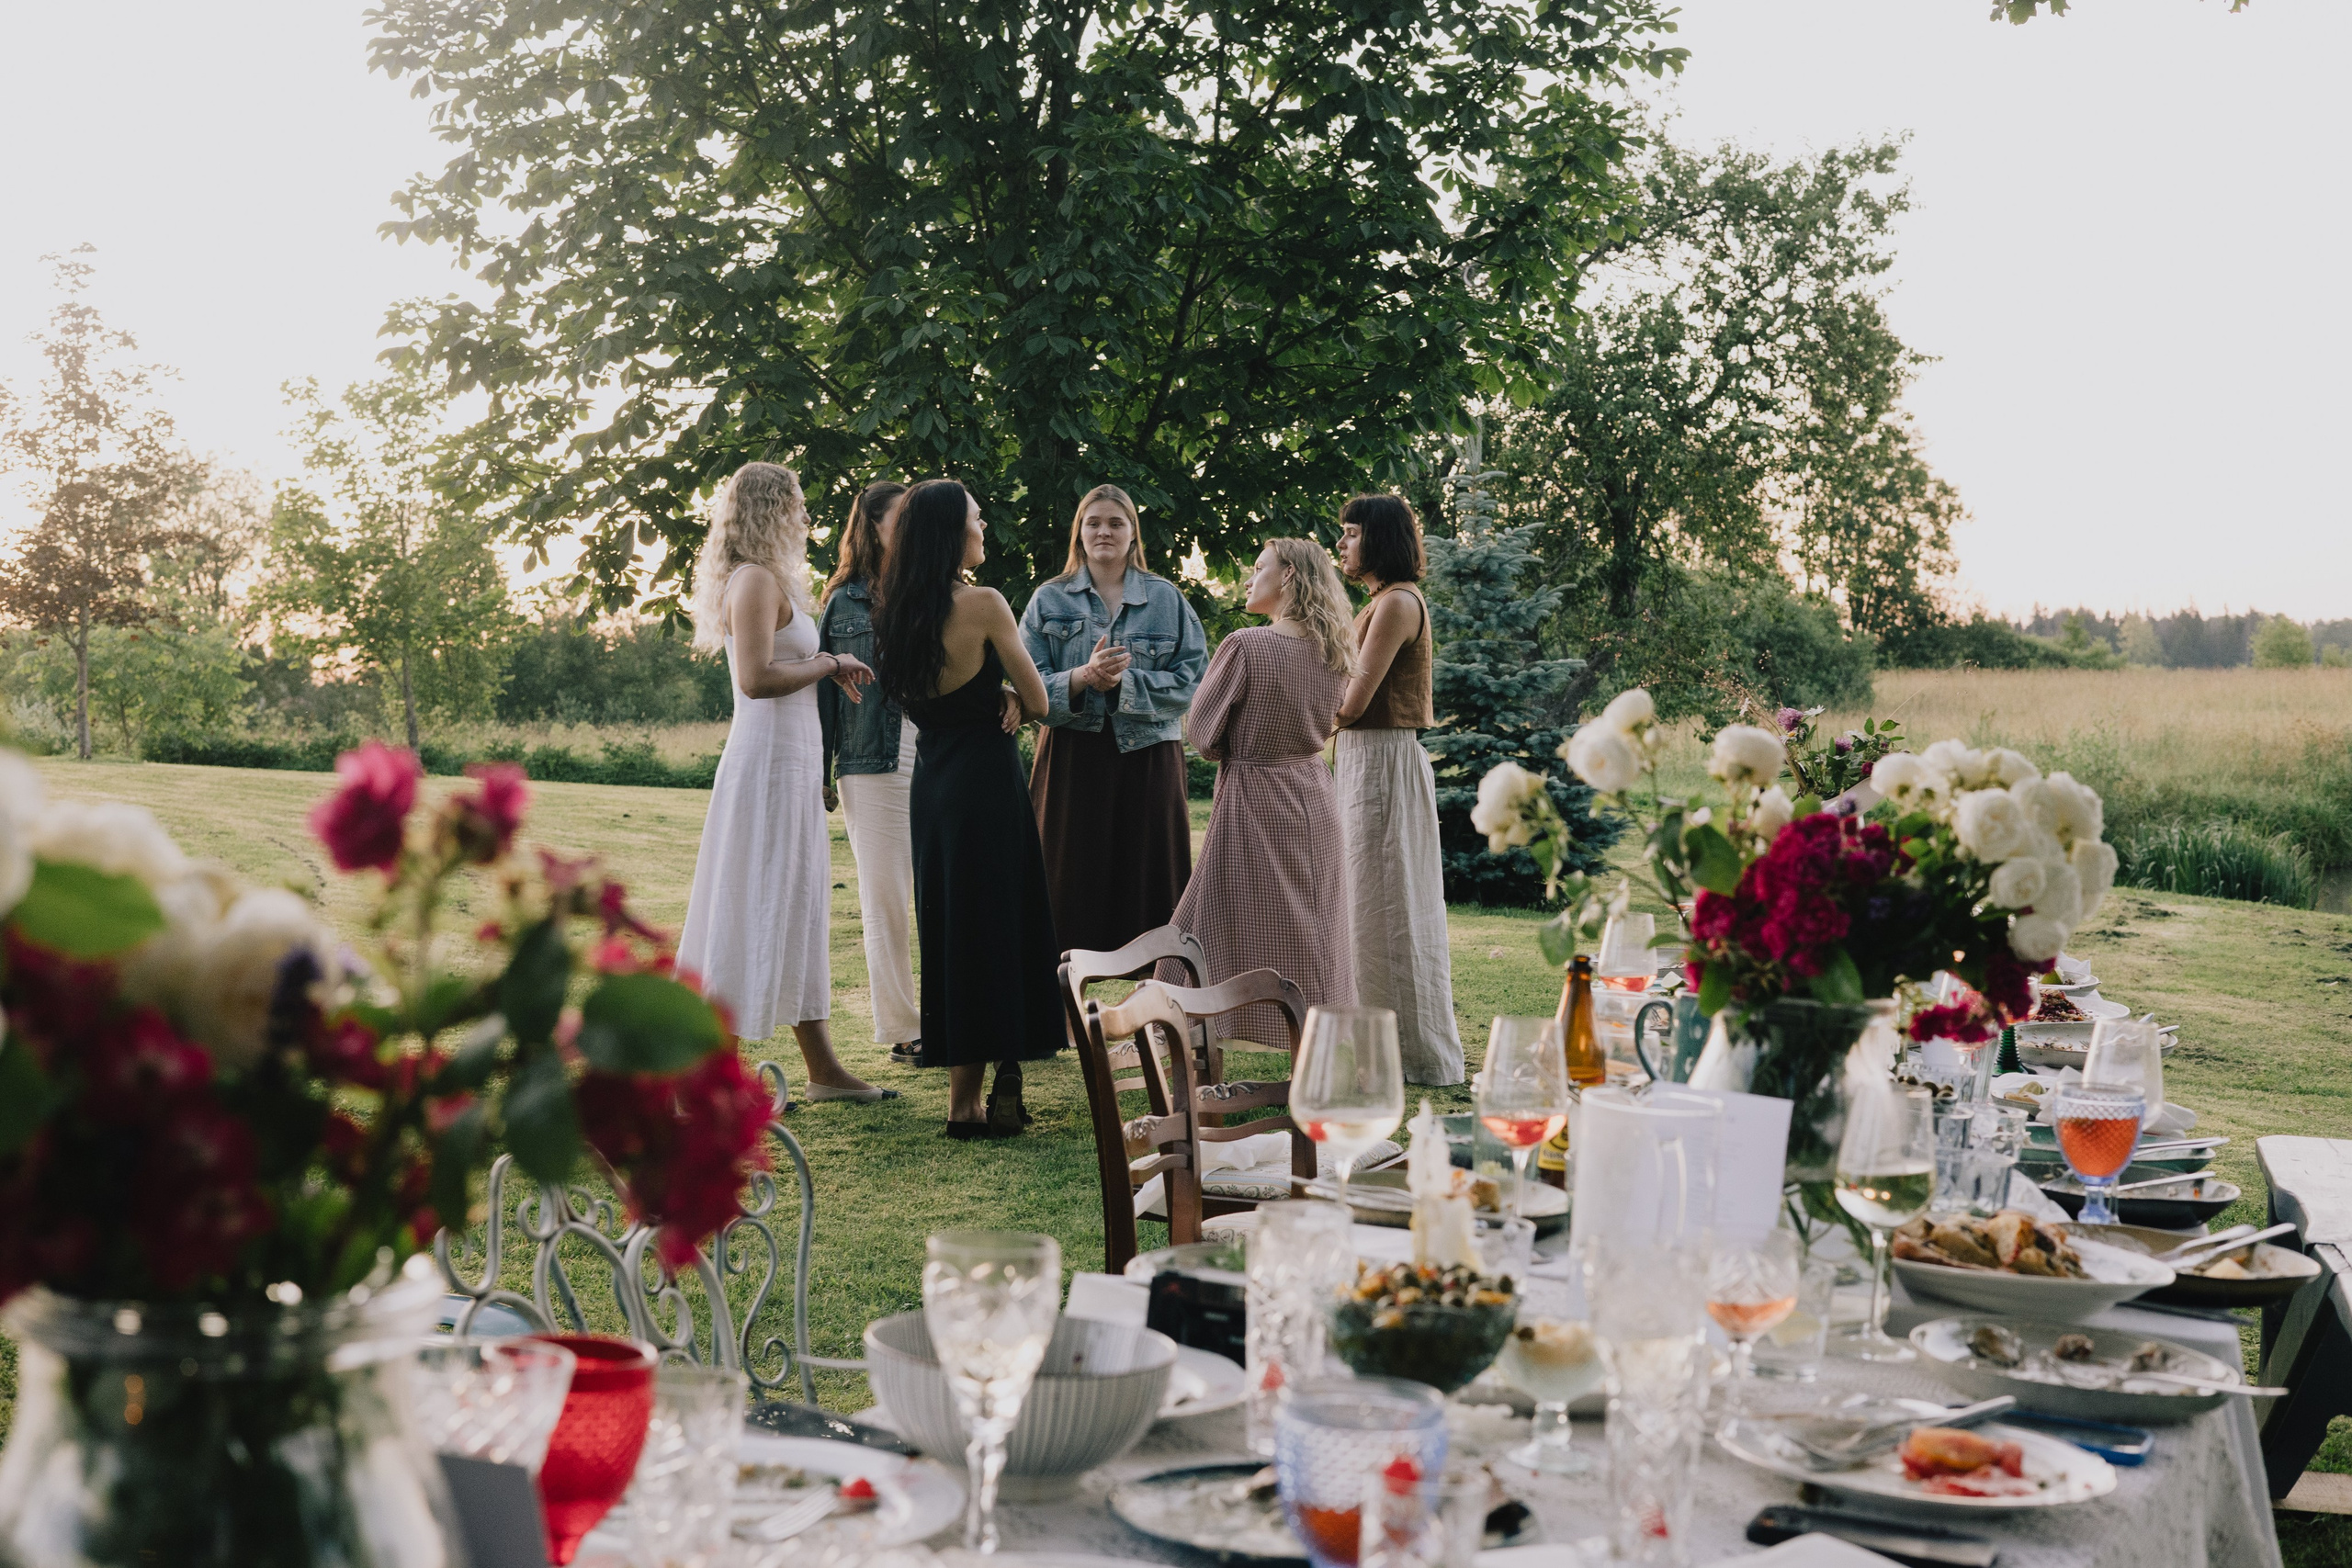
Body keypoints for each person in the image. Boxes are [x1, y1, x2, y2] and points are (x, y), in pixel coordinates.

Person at [678, 462, 894, 1103]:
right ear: (772, 509)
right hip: (765, 768)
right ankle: (707, 1079)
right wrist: (829, 661)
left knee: (798, 905)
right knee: (749, 903)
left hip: (793, 766)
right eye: (796, 505)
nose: (804, 517)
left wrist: (823, 671)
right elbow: (755, 678)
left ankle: (823, 1068)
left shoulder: (775, 583)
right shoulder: (751, 582)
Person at [871, 479, 1063, 1138]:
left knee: (951, 928)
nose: (986, 528)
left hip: (934, 782)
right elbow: (1039, 702)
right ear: (954, 532)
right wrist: (1008, 690)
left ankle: (964, 1096)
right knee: (995, 925)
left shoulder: (892, 609)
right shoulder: (984, 604)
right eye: (978, 519)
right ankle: (976, 1094)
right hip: (986, 778)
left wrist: (993, 691)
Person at [1159, 538, 1357, 1045]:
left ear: (1288, 575)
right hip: (1313, 793)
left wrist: (1237, 742)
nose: (1250, 576)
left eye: (1259, 566)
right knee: (1315, 933)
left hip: (1253, 797)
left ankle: (1170, 1025)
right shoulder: (1335, 649)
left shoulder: (1246, 645)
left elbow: (1201, 733)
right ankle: (1319, 1042)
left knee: (1208, 917)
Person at [1020, 484, 1207, 954]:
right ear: (1079, 533)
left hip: (1148, 759)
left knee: (1151, 888)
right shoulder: (1048, 600)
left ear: (1133, 535)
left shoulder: (1167, 599)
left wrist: (1127, 685)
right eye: (1094, 522)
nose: (1104, 531)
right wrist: (1083, 677)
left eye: (1116, 523)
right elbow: (1027, 683)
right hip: (1070, 758)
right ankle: (1063, 1016)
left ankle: (1157, 1009)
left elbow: (1194, 679)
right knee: (1065, 885)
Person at [1336, 494, 1465, 1085]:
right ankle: (1372, 1051)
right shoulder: (1376, 603)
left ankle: (1415, 1056)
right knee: (1364, 908)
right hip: (1362, 760)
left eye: (1351, 533)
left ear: (1380, 539)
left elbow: (1352, 702)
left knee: (1392, 908)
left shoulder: (1397, 605)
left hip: (1383, 761)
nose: (1342, 544)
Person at [818, 480, 924, 1066]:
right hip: (868, 761)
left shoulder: (934, 591)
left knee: (938, 893)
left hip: (934, 751)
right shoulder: (845, 601)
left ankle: (950, 1017)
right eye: (899, 517)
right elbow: (824, 694)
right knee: (886, 896)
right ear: (874, 525)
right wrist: (820, 771)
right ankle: (904, 1029)